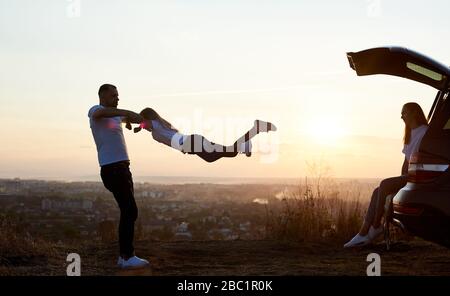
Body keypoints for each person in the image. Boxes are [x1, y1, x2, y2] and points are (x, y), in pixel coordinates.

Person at [344, 102, 429, 248]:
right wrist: (400, 181)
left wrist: (405, 180)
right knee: (378, 191)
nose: (401, 116)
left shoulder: (425, 131)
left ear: (415, 113)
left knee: (384, 184)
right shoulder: (410, 134)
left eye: (405, 112)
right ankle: (363, 233)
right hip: (407, 176)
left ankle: (375, 226)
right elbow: (406, 161)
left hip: (418, 175)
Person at [88, 84, 150, 269]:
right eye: (113, 96)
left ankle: (125, 256)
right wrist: (127, 113)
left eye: (118, 95)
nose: (117, 98)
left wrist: (141, 122)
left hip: (123, 168)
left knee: (129, 210)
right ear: (103, 97)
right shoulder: (95, 110)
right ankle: (126, 256)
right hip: (112, 169)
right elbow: (102, 114)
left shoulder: (114, 116)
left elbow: (134, 120)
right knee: (129, 210)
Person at [133, 107, 277, 163]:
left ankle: (255, 130)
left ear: (147, 119)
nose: (143, 126)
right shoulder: (159, 127)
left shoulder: (157, 127)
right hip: (193, 143)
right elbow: (145, 125)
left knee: (216, 156)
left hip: (192, 143)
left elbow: (144, 122)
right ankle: (249, 138)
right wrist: (139, 127)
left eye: (143, 123)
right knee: (230, 152)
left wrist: (134, 123)